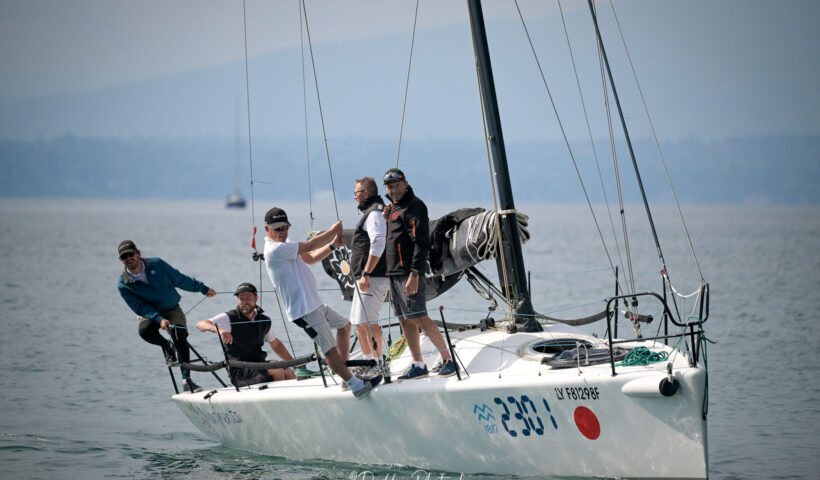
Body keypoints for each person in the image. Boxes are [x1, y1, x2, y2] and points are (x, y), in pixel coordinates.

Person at [262, 207, 381, 398]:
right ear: (267, 229)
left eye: (285, 227)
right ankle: (356, 386)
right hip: (304, 310)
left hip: (314, 304)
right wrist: (333, 231)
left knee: (345, 325)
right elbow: (309, 246)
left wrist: (333, 245)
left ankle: (346, 378)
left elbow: (310, 258)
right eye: (278, 229)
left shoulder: (286, 243)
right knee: (328, 348)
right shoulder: (275, 250)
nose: (283, 232)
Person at [381, 168, 457, 380]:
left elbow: (420, 243)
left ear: (405, 183)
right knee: (405, 320)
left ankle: (449, 360)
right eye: (389, 186)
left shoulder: (415, 206)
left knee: (420, 316)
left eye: (397, 185)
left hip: (409, 273)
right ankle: (418, 364)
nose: (393, 189)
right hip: (394, 273)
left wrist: (415, 273)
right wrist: (387, 220)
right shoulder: (394, 209)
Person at [116, 240, 216, 393]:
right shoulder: (124, 284)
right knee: (145, 331)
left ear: (138, 253)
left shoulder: (157, 264)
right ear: (121, 260)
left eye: (131, 254)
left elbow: (180, 279)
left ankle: (186, 381)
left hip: (171, 308)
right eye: (124, 257)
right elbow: (140, 307)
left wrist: (203, 288)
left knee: (179, 334)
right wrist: (159, 320)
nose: (129, 258)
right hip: (149, 313)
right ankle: (167, 346)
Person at [196, 282, 296, 386]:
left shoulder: (264, 320)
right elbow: (201, 324)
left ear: (256, 298)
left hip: (259, 366)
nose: (245, 301)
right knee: (276, 367)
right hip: (239, 372)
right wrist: (220, 330)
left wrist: (294, 364)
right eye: (241, 298)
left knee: (289, 372)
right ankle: (277, 399)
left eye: (248, 297)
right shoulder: (229, 317)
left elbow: (275, 343)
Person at [350, 177, 389, 374]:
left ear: (365, 193)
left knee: (368, 321)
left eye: (356, 193)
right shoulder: (371, 212)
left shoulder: (375, 213)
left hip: (373, 277)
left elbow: (379, 242)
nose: (354, 197)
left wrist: (366, 272)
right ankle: (368, 363)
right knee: (359, 322)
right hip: (366, 277)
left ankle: (379, 363)